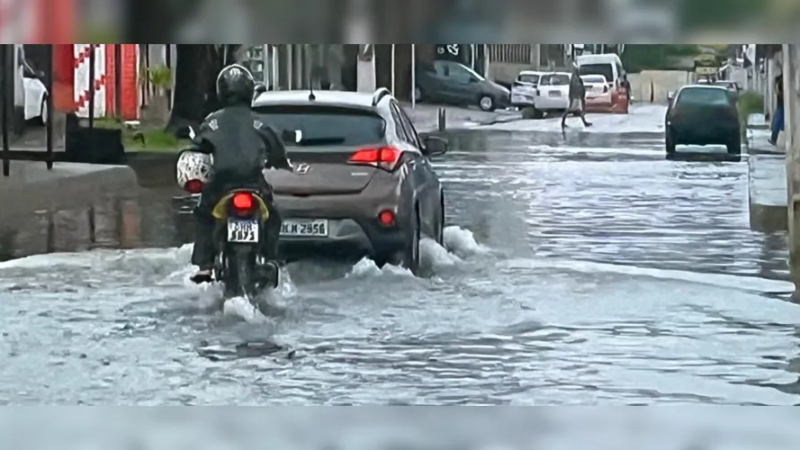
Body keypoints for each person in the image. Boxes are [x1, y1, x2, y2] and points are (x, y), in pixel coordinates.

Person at [189, 63, 293, 283]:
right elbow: (277, 150)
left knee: (203, 215)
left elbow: (197, 148)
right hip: (253, 184)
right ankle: (272, 259)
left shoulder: (211, 121)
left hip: (220, 186)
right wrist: (283, 163)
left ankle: (204, 266)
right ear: (249, 91)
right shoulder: (260, 122)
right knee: (273, 215)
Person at [561, 64, 592, 129]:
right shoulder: (575, 77)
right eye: (578, 70)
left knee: (579, 110)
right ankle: (563, 122)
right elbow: (576, 86)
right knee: (570, 110)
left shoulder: (576, 77)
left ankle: (584, 122)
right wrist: (579, 92)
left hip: (575, 96)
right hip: (575, 96)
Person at [769, 73, 784, 146]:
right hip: (781, 104)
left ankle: (773, 139)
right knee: (777, 121)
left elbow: (777, 91)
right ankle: (773, 139)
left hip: (781, 104)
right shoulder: (781, 81)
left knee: (777, 122)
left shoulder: (780, 81)